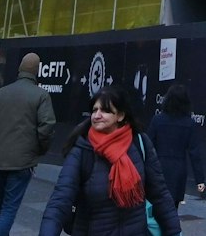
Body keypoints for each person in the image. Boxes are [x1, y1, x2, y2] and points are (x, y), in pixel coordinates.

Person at [39, 84, 182, 236]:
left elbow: (159, 194)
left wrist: (174, 232)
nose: (97, 115)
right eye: (94, 110)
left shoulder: (140, 143)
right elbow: (60, 200)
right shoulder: (82, 150)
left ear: (120, 116)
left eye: (105, 111)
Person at [0, 53, 58, 236]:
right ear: (37, 71)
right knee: (9, 207)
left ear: (20, 69)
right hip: (22, 160)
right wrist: (39, 149)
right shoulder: (41, 95)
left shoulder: (1, 93)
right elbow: (47, 126)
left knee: (1, 204)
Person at [147, 82, 205, 204]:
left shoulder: (157, 120)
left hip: (158, 166)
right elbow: (194, 153)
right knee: (173, 205)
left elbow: (148, 146)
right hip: (178, 168)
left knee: (156, 203)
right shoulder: (189, 124)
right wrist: (199, 179)